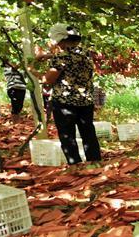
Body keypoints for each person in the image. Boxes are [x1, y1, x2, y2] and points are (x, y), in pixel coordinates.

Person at [33, 23, 101, 164]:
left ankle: (75, 164)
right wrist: (48, 56)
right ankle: (95, 162)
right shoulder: (86, 54)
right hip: (85, 100)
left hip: (65, 103)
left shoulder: (60, 58)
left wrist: (31, 69)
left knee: (67, 136)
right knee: (88, 133)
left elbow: (47, 80)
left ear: (60, 40)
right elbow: (71, 58)